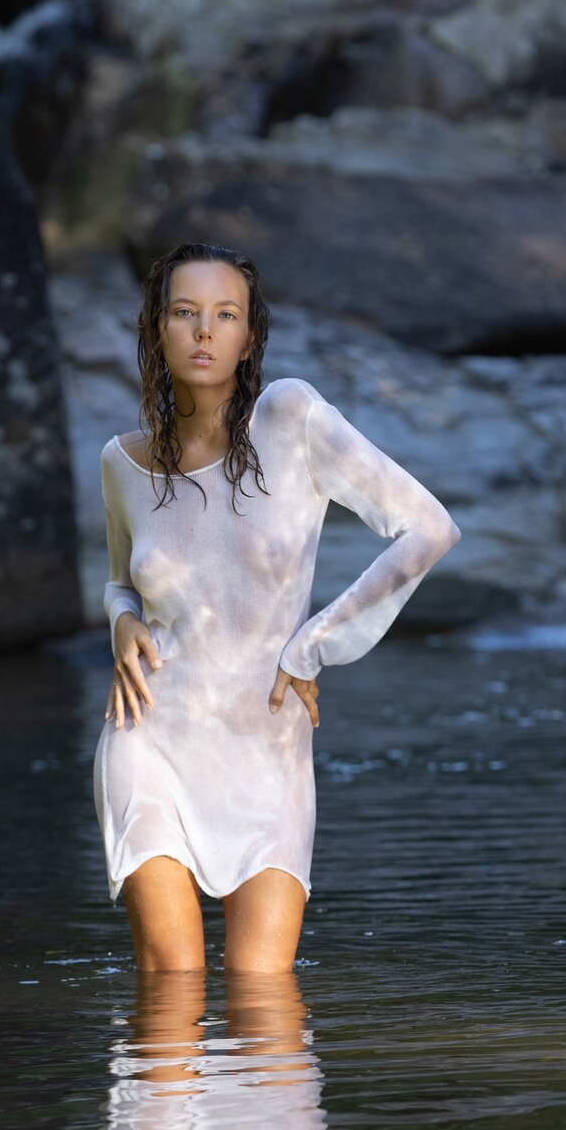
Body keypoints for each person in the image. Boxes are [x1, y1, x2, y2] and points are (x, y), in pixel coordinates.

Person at [92, 241, 462, 975]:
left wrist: (312, 647)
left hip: (268, 745)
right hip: (150, 736)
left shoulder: (291, 418)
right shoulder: (121, 463)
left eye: (225, 314)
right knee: (171, 986)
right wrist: (122, 621)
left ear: (249, 335)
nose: (204, 330)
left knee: (262, 997)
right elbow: (117, 581)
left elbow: (429, 529)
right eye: (185, 312)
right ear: (157, 329)